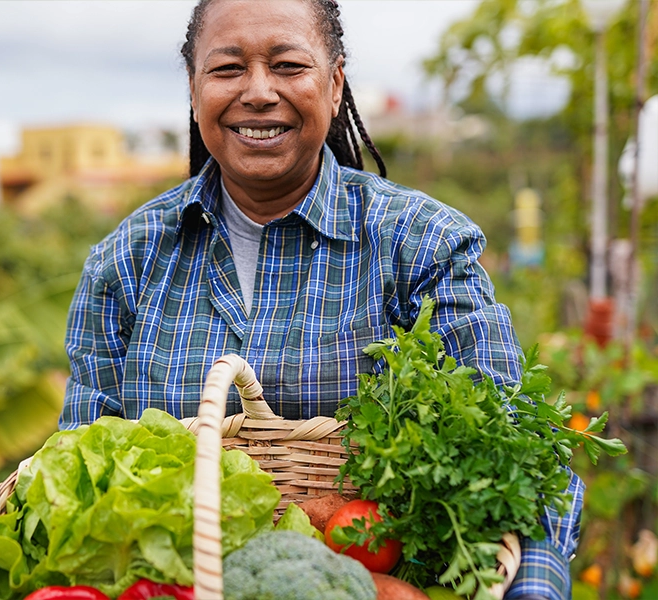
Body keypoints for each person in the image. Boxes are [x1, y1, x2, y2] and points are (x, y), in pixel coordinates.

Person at [61, 1, 582, 598]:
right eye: (227, 69)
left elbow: (522, 455)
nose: (258, 92)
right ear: (193, 88)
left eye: (286, 64)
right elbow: (78, 467)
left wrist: (533, 589)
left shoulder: (423, 246)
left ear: (334, 85)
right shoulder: (124, 262)